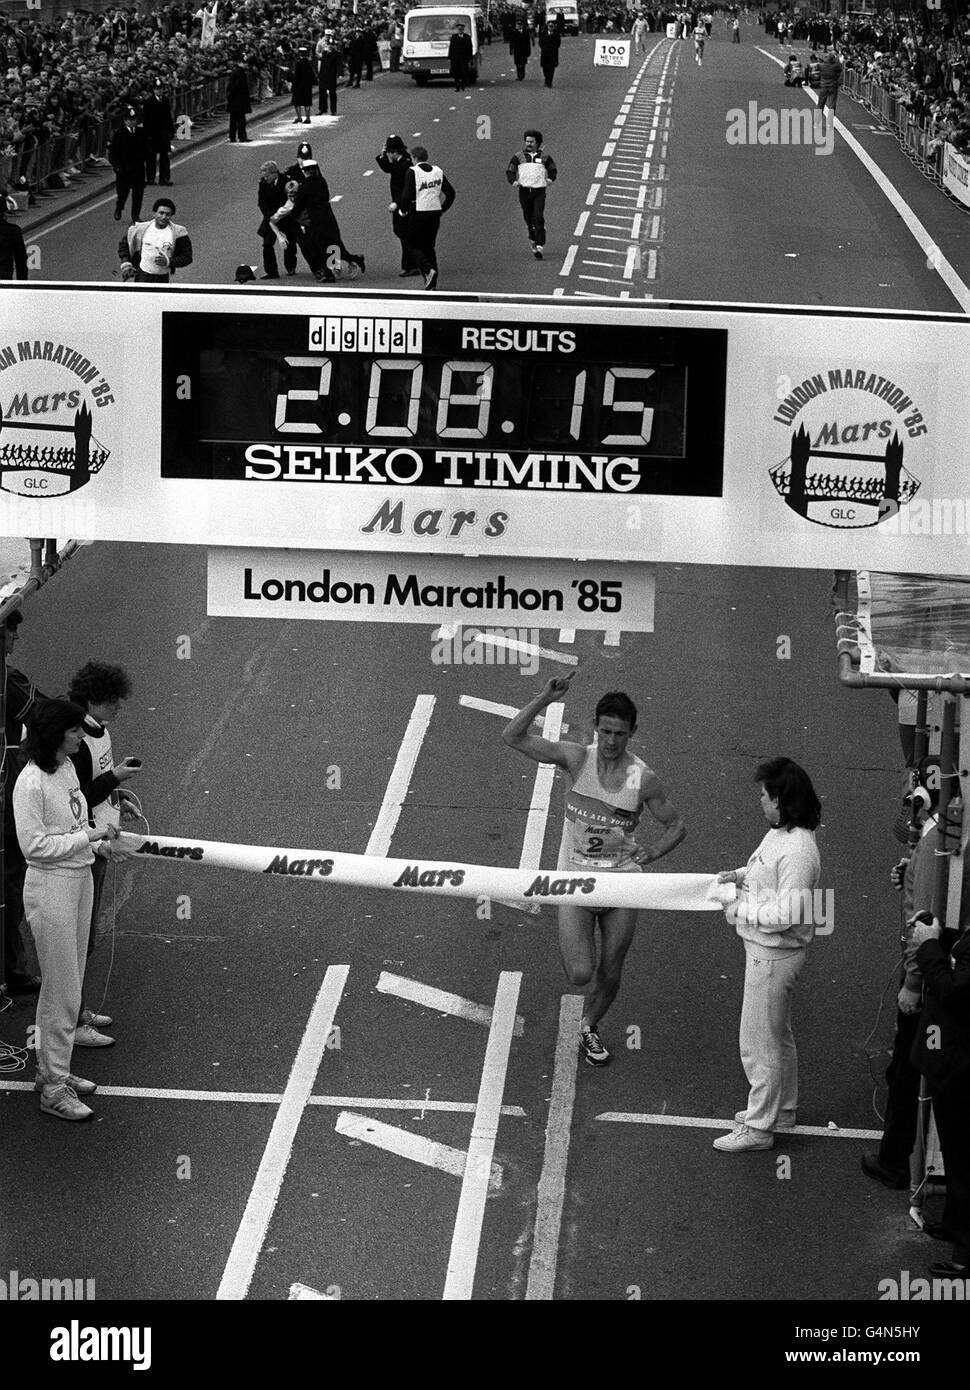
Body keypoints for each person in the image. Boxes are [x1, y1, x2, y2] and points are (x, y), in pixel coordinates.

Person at [503, 675, 686, 1067]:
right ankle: (580, 956)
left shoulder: (641, 777)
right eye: (605, 731)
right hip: (574, 880)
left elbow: (676, 826)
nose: (611, 741)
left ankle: (589, 1025)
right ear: (595, 728)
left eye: (620, 733)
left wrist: (650, 854)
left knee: (611, 968)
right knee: (580, 972)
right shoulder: (577, 759)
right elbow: (513, 737)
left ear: (632, 732)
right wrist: (545, 698)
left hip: (620, 884)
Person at [12, 699, 121, 1121]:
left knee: (69, 983)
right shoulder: (30, 783)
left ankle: (52, 1071)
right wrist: (87, 839)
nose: (81, 736)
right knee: (61, 990)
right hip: (52, 887)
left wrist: (97, 842)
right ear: (56, 733)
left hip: (78, 879)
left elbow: (75, 826)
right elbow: (35, 847)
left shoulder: (69, 768)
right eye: (74, 730)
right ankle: (53, 1088)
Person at [714, 758, 822, 1152]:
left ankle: (759, 1127)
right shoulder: (782, 836)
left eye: (764, 795)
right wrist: (739, 876)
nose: (759, 801)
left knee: (758, 1042)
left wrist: (738, 909)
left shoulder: (798, 851)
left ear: (781, 800)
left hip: (772, 955)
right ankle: (783, 1109)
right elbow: (761, 868)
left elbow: (786, 914)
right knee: (778, 1035)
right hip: (769, 952)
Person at [862, 762, 943, 1189]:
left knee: (907, 1067)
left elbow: (922, 915)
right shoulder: (934, 840)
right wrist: (908, 872)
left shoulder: (932, 842)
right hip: (925, 965)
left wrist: (912, 983)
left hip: (923, 972)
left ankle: (894, 1159)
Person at [67, 662, 140, 1049]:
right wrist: (115, 780)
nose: (118, 709)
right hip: (87, 845)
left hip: (102, 839)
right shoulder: (77, 742)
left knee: (89, 934)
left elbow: (100, 783)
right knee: (82, 937)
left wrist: (119, 797)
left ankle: (76, 1010)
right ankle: (72, 1020)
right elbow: (78, 797)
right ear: (94, 700)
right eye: (112, 702)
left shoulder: (99, 731)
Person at [909, 908, 970, 1276]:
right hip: (957, 1065)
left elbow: (955, 991)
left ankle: (965, 1254)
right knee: (955, 1151)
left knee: (964, 1162)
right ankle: (953, 1225)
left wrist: (929, 946)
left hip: (963, 1068)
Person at [1, 609, 46, 999]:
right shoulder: (8, 679)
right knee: (11, 879)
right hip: (5, 783)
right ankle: (12, 971)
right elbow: (42, 712)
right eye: (12, 631)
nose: (15, 639)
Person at [288, 160, 365, 283]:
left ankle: (328, 274)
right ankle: (355, 259)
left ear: (306, 172)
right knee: (334, 245)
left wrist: (292, 216)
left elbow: (299, 205)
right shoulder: (322, 181)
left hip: (315, 220)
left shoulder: (304, 186)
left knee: (317, 248)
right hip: (328, 217)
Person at [398, 145, 456, 291]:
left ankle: (428, 270)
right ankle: (432, 283)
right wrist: (443, 209)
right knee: (430, 247)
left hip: (419, 212)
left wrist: (402, 211)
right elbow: (451, 193)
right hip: (435, 212)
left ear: (415, 158)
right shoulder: (438, 171)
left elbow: (407, 195)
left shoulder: (413, 172)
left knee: (412, 244)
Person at [506, 129, 557, 260]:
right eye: (527, 141)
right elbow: (510, 170)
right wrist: (513, 181)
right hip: (524, 191)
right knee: (529, 218)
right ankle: (532, 238)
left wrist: (550, 179)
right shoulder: (518, 156)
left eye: (531, 141)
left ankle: (540, 244)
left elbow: (553, 169)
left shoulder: (544, 157)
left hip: (539, 191)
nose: (528, 143)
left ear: (538, 143)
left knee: (538, 216)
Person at [119, 197, 193, 284]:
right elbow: (124, 245)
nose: (164, 217)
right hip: (143, 276)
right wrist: (126, 264)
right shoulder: (140, 229)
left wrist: (168, 262)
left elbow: (187, 257)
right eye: (161, 213)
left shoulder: (179, 233)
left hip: (163, 278)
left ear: (171, 216)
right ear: (154, 213)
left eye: (167, 214)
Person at [376, 135, 418, 277]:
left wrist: (397, 203)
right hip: (400, 203)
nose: (388, 155)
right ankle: (412, 264)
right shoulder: (400, 161)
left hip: (404, 205)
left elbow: (408, 188)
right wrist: (382, 155)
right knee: (400, 232)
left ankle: (411, 265)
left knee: (404, 233)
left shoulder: (406, 165)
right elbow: (388, 169)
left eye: (388, 152)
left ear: (394, 152)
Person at [257, 161, 297, 278]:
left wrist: (280, 214)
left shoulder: (286, 181)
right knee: (267, 244)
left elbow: (290, 199)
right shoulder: (263, 183)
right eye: (264, 176)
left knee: (290, 241)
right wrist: (269, 215)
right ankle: (271, 271)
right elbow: (261, 202)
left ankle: (290, 266)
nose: (265, 178)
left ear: (275, 173)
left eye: (267, 175)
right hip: (270, 217)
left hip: (285, 216)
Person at [108, 106, 147, 222]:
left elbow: (146, 148)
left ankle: (135, 216)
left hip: (138, 169)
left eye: (134, 119)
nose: (132, 121)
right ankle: (119, 208)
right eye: (130, 119)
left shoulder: (141, 132)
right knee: (122, 194)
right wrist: (117, 167)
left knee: (138, 195)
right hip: (124, 170)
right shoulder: (119, 134)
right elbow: (113, 153)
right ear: (125, 121)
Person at [141, 79, 175, 186]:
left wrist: (171, 130)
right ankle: (150, 178)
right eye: (157, 89)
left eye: (160, 89)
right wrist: (147, 134)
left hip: (164, 133)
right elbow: (146, 120)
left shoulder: (165, 100)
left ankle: (164, 178)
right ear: (153, 90)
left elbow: (168, 117)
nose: (159, 91)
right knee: (151, 157)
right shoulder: (148, 102)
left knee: (164, 157)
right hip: (153, 133)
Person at [0, 201, 28, 280]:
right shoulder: (13, 231)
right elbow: (21, 260)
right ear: (4, 214)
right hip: (4, 278)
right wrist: (22, 283)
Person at [226, 61, 252, 143]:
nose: (247, 65)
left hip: (235, 100)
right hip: (238, 100)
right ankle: (241, 137)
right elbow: (235, 87)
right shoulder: (239, 74)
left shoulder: (237, 72)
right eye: (245, 63)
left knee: (234, 120)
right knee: (240, 120)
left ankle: (233, 137)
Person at [317, 32, 342, 115]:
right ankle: (322, 109)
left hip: (331, 76)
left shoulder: (336, 54)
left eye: (331, 45)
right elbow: (323, 64)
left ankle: (333, 110)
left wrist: (340, 73)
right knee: (322, 93)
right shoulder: (324, 53)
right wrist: (319, 75)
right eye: (328, 45)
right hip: (323, 76)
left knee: (332, 93)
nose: (330, 46)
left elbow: (339, 64)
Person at [291, 45, 314, 125]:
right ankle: (308, 118)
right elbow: (312, 74)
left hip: (299, 86)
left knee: (297, 102)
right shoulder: (308, 63)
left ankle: (299, 117)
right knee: (307, 102)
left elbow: (296, 76)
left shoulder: (298, 63)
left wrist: (293, 85)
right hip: (307, 86)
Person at [448, 21, 473, 91]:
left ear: (463, 30)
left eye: (461, 29)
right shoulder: (454, 37)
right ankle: (457, 86)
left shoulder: (467, 37)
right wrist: (449, 57)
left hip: (464, 58)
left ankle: (463, 84)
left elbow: (470, 48)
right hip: (455, 58)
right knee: (456, 73)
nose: (460, 31)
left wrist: (470, 58)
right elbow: (451, 48)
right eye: (459, 29)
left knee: (464, 72)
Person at [538, 21, 561, 87]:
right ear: (547, 27)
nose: (550, 28)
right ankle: (546, 79)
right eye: (549, 26)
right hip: (545, 54)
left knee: (551, 68)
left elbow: (558, 44)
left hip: (553, 54)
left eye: (552, 26)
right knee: (545, 68)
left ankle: (549, 82)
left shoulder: (556, 34)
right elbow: (540, 43)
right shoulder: (543, 34)